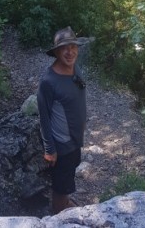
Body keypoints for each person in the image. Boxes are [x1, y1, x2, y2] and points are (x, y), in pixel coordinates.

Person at [37, 26, 87, 214]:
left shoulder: (75, 69)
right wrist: (50, 149)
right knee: (60, 185)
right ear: (56, 52)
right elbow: (44, 117)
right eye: (64, 48)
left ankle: (65, 201)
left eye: (73, 46)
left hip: (75, 140)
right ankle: (59, 214)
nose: (70, 52)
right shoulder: (48, 82)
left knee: (68, 177)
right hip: (62, 145)